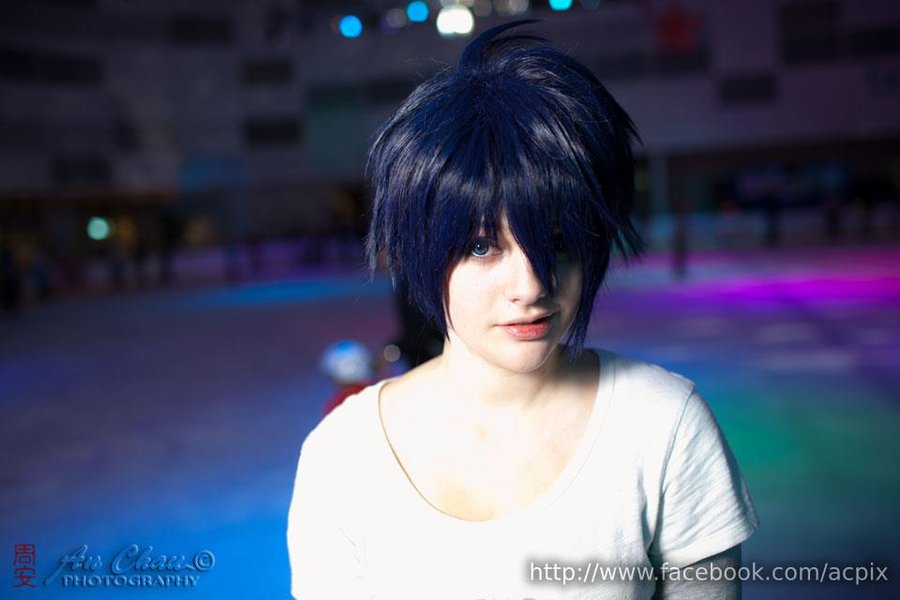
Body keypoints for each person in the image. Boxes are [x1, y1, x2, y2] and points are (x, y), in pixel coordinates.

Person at [288, 21, 758, 599]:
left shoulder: (663, 426)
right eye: (482, 247)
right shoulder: (344, 456)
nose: (532, 286)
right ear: (417, 250)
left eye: (558, 242)